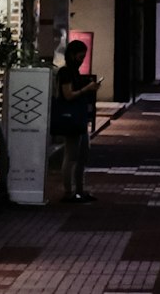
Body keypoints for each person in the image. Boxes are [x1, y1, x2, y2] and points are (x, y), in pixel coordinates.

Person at [57, 39, 100, 202]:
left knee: (82, 154)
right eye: (80, 57)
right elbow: (68, 95)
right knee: (71, 155)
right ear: (72, 55)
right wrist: (86, 89)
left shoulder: (74, 72)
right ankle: (68, 192)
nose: (82, 60)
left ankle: (79, 190)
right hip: (71, 118)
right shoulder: (66, 72)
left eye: (84, 57)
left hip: (79, 117)